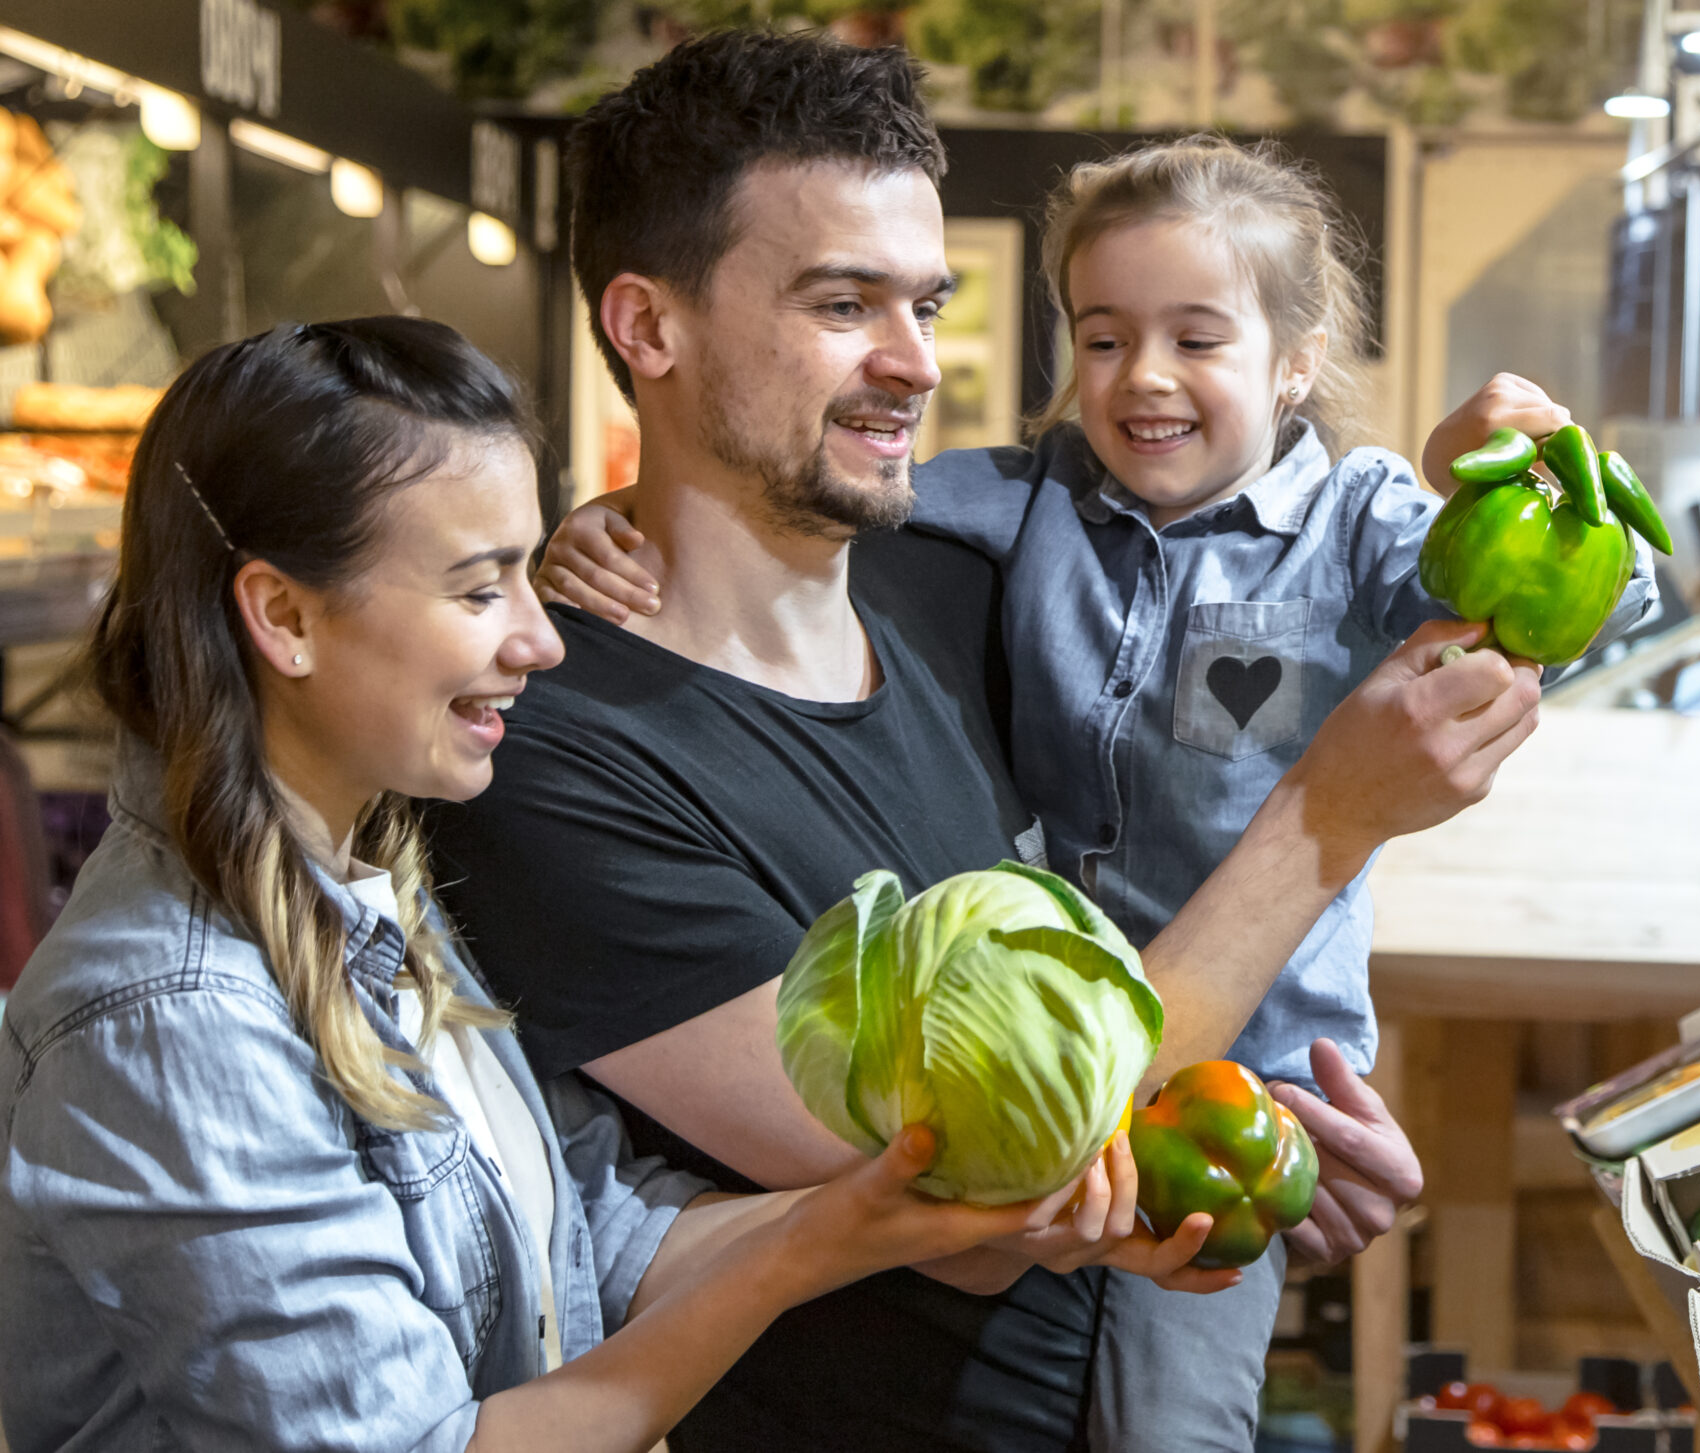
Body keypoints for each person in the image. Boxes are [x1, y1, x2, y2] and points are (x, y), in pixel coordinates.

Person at [426, 30, 1543, 1453]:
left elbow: (1116, 981)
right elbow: (957, 1195)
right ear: (647, 329)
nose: (912, 362)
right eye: (844, 305)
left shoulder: (960, 585)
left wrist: (1254, 1148)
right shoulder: (557, 754)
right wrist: (1331, 815)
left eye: (926, 303)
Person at [0, 317, 1125, 1453]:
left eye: (529, 569)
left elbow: (600, 1231)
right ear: (284, 616)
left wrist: (890, 1216)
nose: (544, 640)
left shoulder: (382, 874)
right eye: (481, 590)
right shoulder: (172, 1018)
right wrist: (811, 1245)